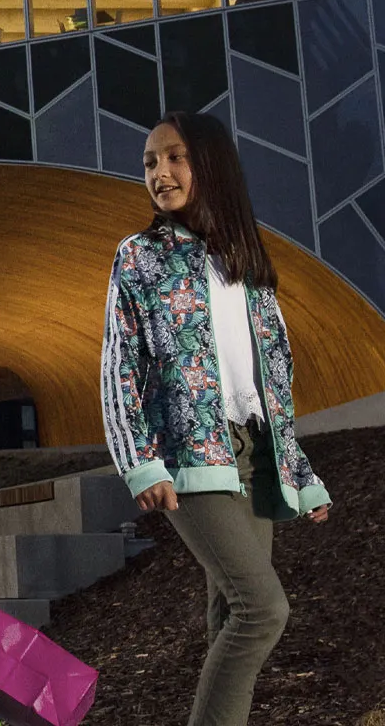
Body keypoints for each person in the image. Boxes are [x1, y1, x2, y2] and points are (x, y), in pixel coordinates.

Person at [101, 111, 331, 726]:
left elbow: (273, 371)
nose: (160, 172)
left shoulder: (245, 257)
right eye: (150, 162)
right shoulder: (141, 256)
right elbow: (119, 364)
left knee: (231, 615)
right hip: (189, 454)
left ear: (211, 164)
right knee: (262, 609)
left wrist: (298, 469)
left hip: (252, 449)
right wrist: (140, 461)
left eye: (174, 158)